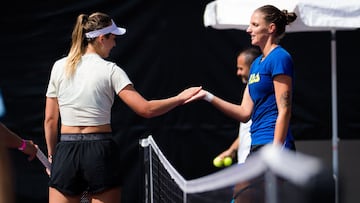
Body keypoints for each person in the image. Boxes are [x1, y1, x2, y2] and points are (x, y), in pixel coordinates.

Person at [44, 12, 201, 203]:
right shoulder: (111, 70)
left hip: (66, 153)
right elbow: (146, 109)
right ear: (102, 38)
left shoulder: (58, 67)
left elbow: (50, 120)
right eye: (113, 38)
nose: (115, 44)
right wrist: (180, 98)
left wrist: (53, 156)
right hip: (99, 153)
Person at [188, 4, 297, 155]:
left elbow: (284, 110)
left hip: (274, 145)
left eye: (255, 25)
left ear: (271, 28)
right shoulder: (255, 65)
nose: (248, 30)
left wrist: (276, 152)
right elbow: (244, 113)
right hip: (256, 144)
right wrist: (208, 96)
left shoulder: (279, 57)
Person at [215, 47, 260, 164]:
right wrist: (232, 150)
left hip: (254, 159)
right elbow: (247, 129)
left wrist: (209, 98)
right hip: (245, 159)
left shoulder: (257, 93)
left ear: (252, 68)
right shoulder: (249, 92)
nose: (238, 73)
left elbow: (244, 115)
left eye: (241, 68)